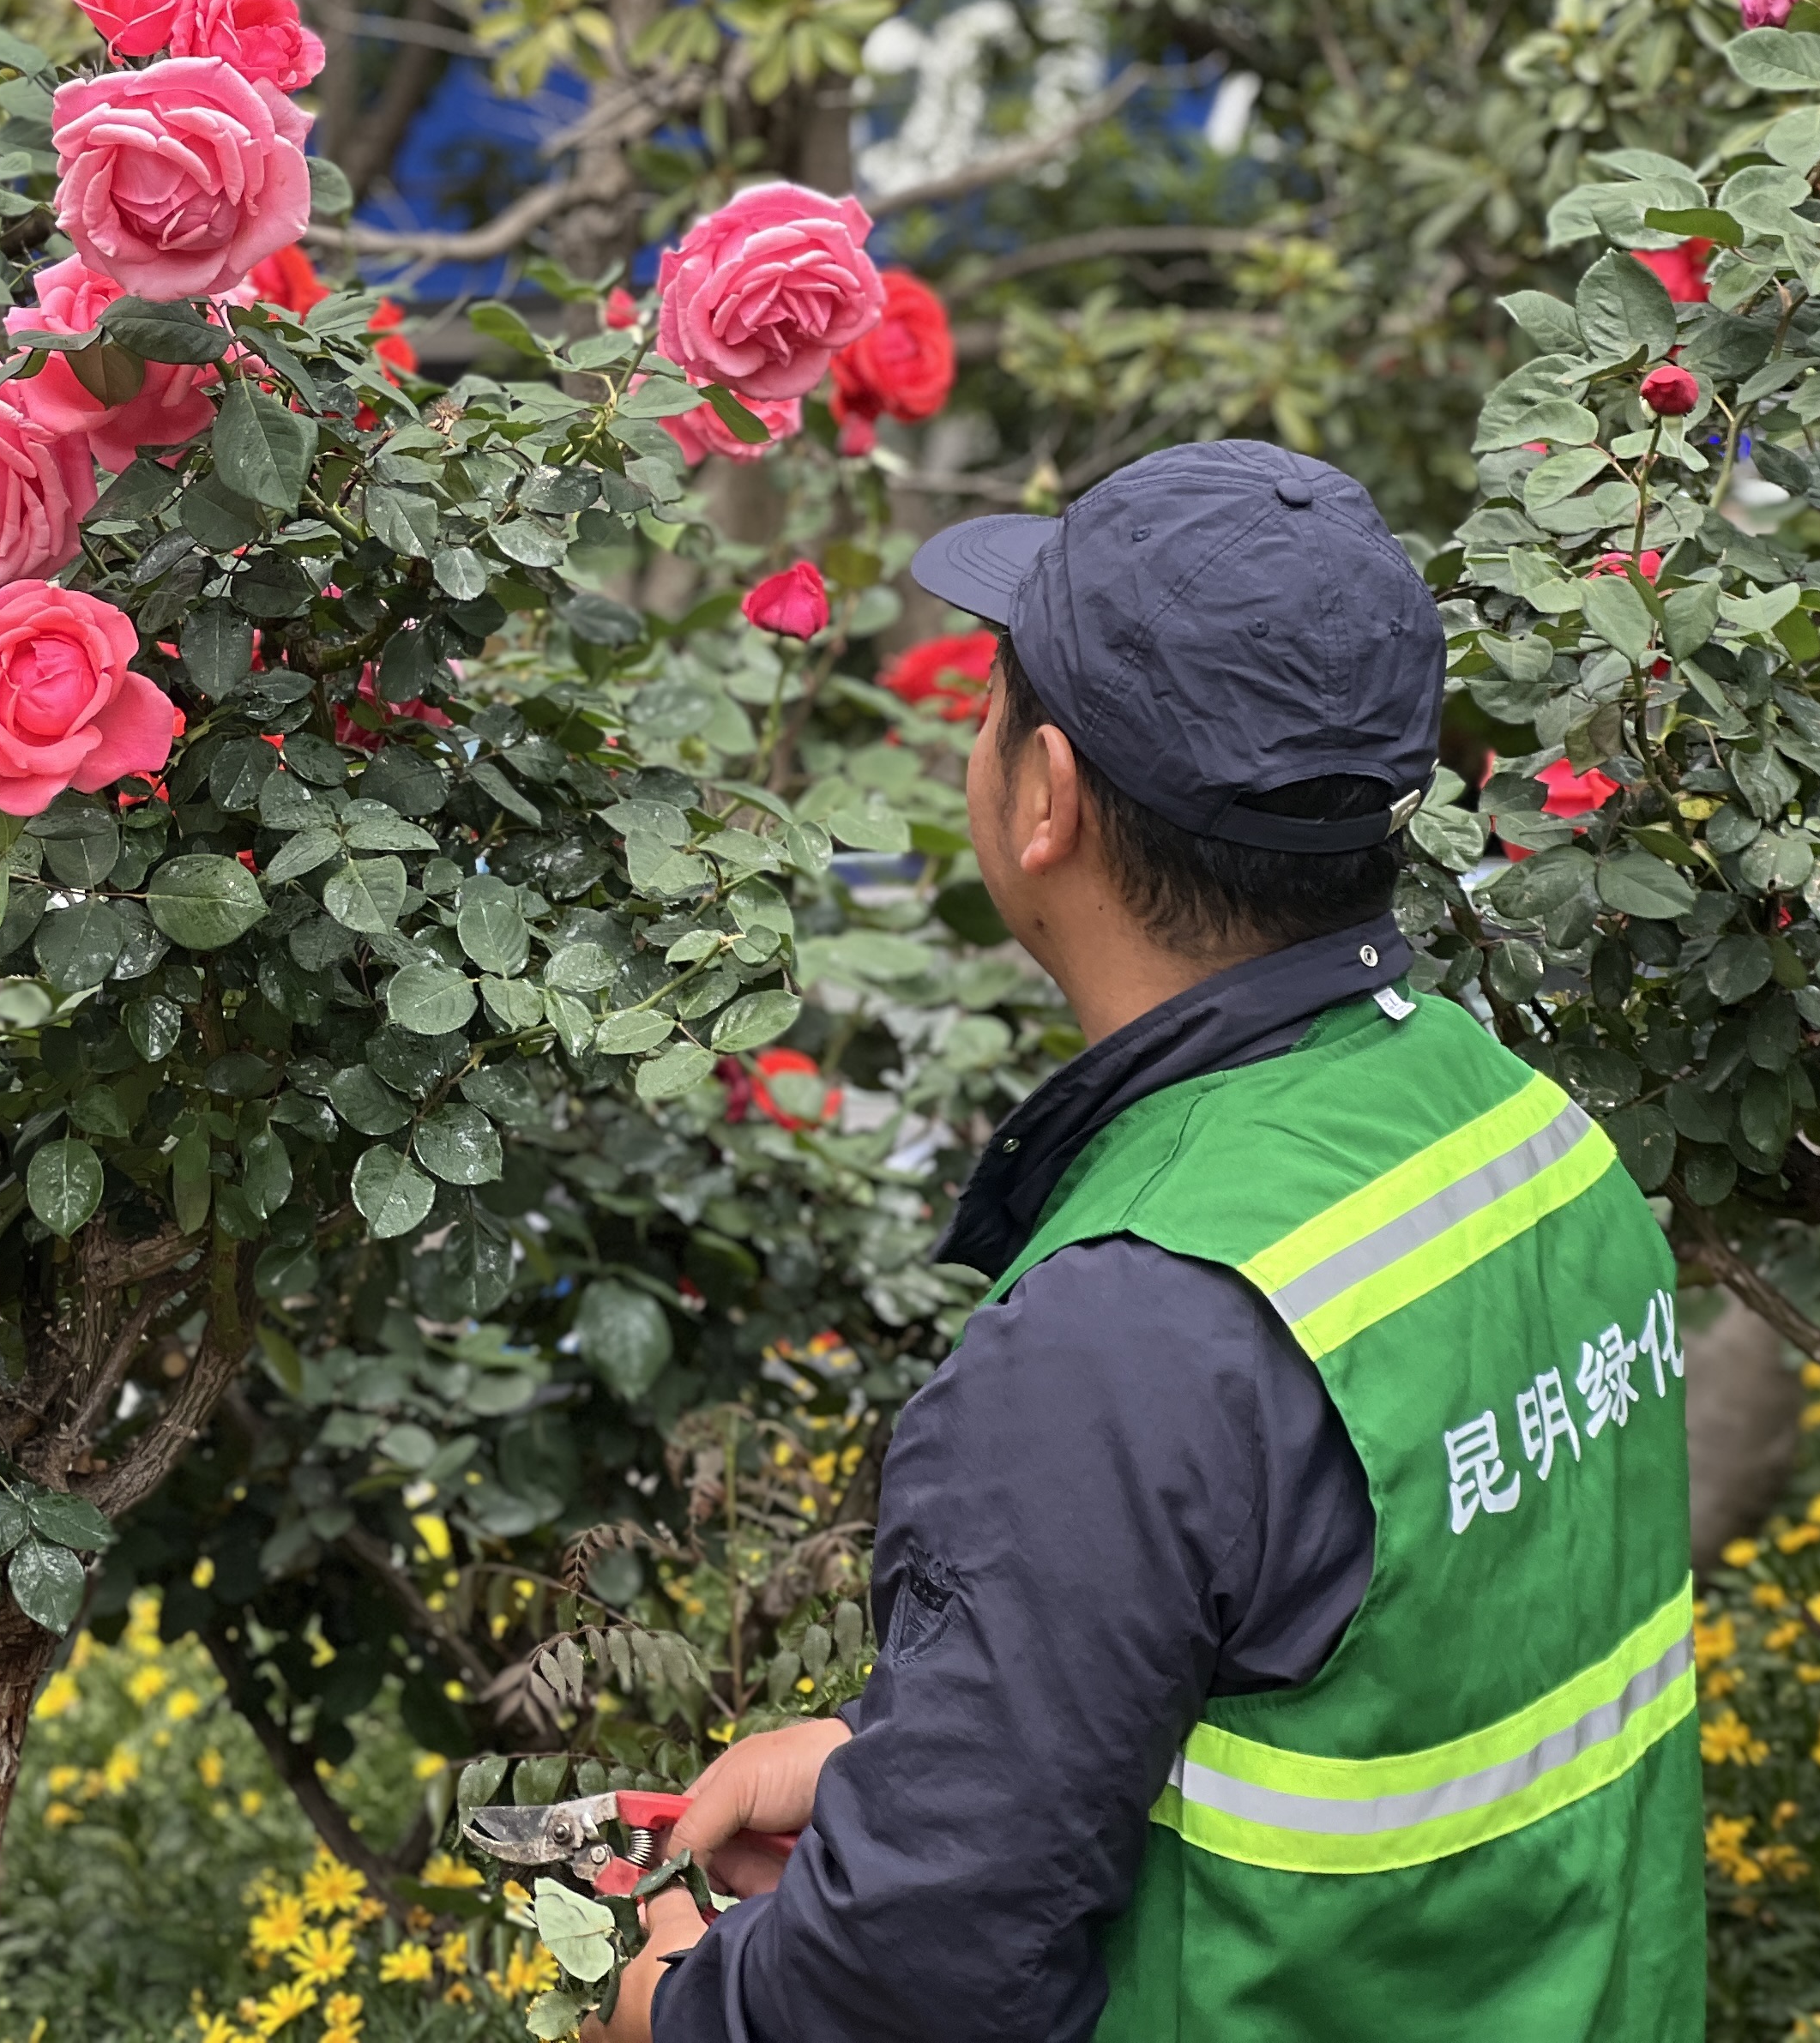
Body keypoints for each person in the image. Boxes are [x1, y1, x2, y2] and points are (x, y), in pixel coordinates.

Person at [595, 441, 1701, 2042]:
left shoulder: (1128, 1329)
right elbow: (1385, 1668)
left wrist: (687, 2006)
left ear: (1045, 797)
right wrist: (917, 1776)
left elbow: (914, 1995)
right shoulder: (1524, 1134)